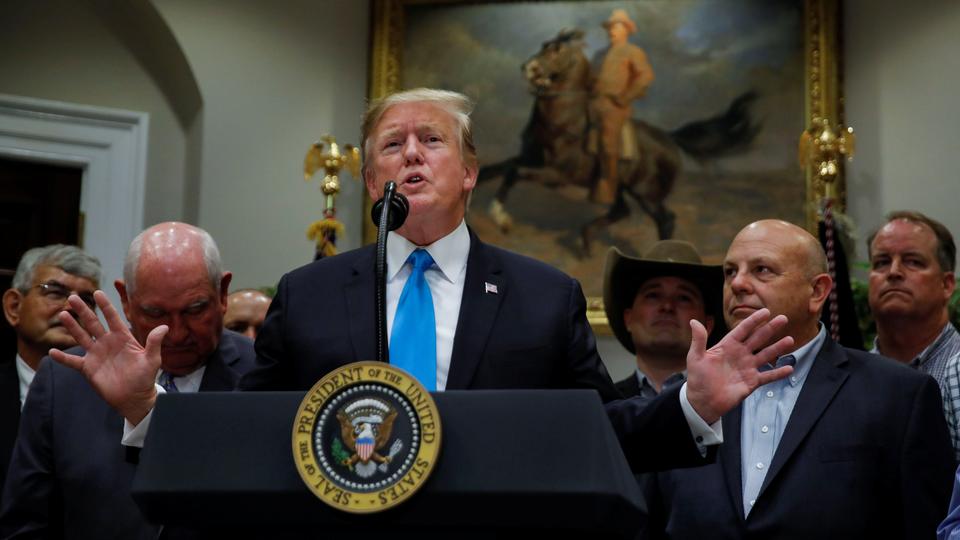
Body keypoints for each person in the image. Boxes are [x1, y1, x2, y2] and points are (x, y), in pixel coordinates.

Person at [44, 89, 795, 476]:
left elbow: (598, 433)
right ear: (372, 180)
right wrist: (147, 407)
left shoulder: (542, 295)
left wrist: (690, 406)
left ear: (468, 171)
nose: (411, 157)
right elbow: (244, 432)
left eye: (431, 141)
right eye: (391, 147)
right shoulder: (308, 294)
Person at [645, 219, 955, 539]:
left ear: (817, 291)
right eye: (729, 271)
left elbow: (928, 527)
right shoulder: (686, 396)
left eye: (762, 269)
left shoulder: (898, 395)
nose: (738, 283)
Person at [0, 223, 256, 539]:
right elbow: (25, 524)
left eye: (195, 309)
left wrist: (146, 413)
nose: (175, 333)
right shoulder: (63, 381)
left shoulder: (264, 373)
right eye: (155, 312)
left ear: (222, 293)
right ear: (125, 299)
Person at [0, 244, 101, 506]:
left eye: (87, 300)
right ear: (14, 307)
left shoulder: (108, 399)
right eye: (55, 292)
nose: (72, 307)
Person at [866, 211, 960, 458]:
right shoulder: (851, 377)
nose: (893, 272)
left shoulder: (956, 369)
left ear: (947, 285)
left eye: (913, 261)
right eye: (881, 262)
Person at [604, 240, 723, 399]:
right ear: (628, 318)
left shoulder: (734, 407)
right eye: (653, 295)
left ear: (707, 325)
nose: (667, 306)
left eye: (683, 298)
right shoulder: (603, 406)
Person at [590, 8, 654, 205]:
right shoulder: (600, 54)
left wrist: (625, 97)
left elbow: (645, 76)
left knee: (609, 144)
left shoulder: (633, 52)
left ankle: (608, 187)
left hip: (615, 106)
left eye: (616, 27)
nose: (611, 31)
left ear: (626, 29)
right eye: (610, 27)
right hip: (593, 103)